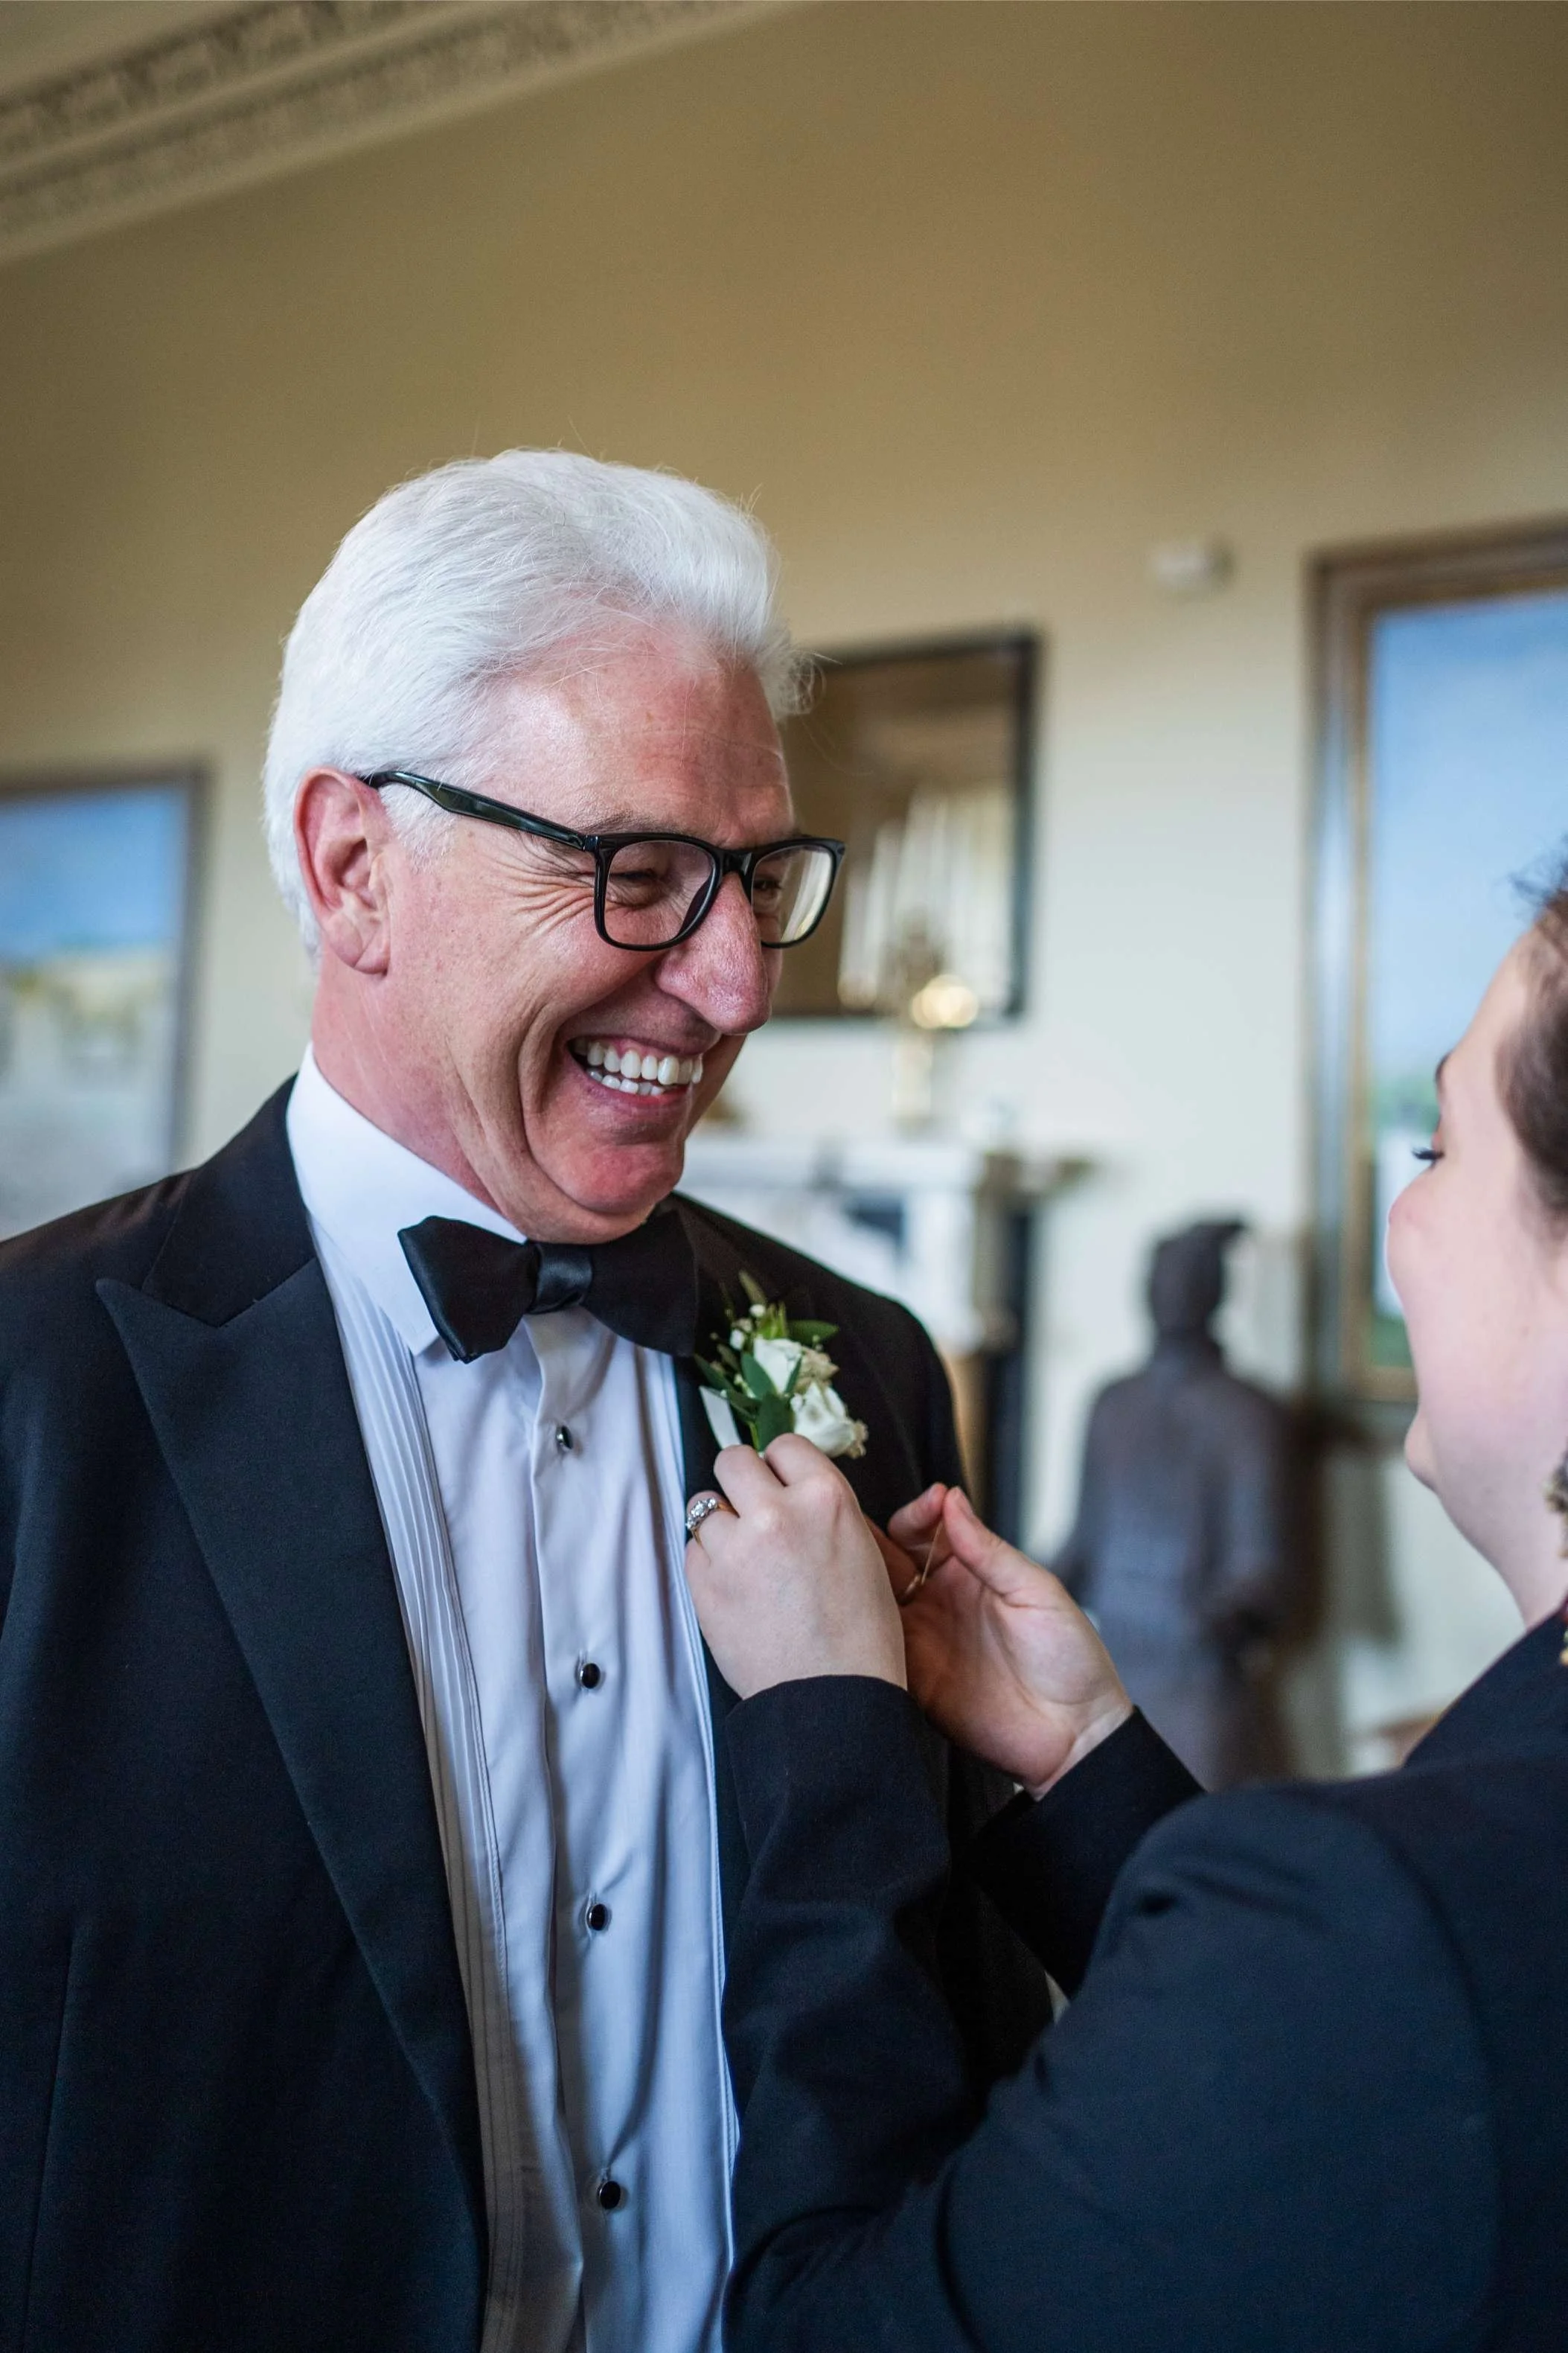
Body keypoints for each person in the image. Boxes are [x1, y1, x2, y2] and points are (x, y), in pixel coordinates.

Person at [0, 453, 1046, 2353]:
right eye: (637, 874)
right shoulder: (31, 1389)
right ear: (355, 867)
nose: (735, 983)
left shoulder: (868, 1363)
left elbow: (949, 2022)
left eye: (757, 881)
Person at [685, 890, 1568, 2352]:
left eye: (1439, 1149)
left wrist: (826, 1736)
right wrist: (1089, 1752)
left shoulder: (1393, 1904)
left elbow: (834, 2325)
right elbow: (1343, 2075)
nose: (1402, 1216)